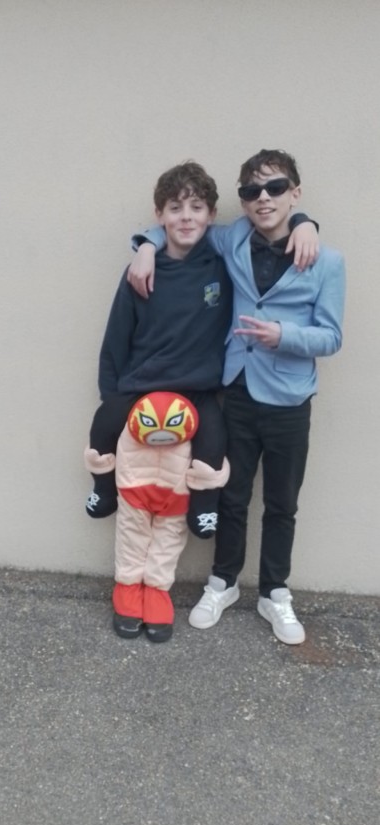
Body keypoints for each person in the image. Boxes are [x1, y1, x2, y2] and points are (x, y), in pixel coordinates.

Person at [127, 148, 345, 644]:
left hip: (289, 400)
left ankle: (275, 593)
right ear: (243, 201)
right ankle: (222, 582)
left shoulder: (327, 260)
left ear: (295, 193)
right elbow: (184, 228)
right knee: (231, 495)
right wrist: (144, 246)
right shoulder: (234, 238)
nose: (263, 198)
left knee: (282, 503)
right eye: (251, 191)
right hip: (238, 391)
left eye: (275, 187)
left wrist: (285, 335)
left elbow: (332, 337)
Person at [84, 161, 233, 541]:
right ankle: (104, 489)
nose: (186, 217)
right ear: (159, 214)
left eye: (196, 207)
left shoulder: (224, 268)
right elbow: (116, 337)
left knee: (214, 438)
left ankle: (204, 506)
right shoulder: (139, 271)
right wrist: (111, 393)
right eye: (175, 208)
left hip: (197, 389)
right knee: (103, 423)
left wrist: (304, 225)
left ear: (212, 214)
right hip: (142, 385)